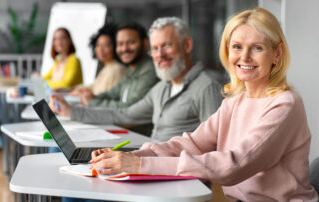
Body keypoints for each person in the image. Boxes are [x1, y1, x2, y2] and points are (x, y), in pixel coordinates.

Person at [87, 8, 318, 201]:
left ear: (277, 54)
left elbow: (234, 165)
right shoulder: (235, 102)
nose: (244, 57)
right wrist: (131, 155)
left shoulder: (285, 104)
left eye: (257, 48)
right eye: (237, 47)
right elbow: (191, 143)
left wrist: (140, 164)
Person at [50, 17, 224, 142]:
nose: (160, 54)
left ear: (187, 45)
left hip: (176, 178)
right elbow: (125, 114)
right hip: (151, 162)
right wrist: (71, 111)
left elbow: (213, 146)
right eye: (155, 48)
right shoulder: (163, 87)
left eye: (167, 45)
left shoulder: (206, 87)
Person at [80, 22, 159, 108]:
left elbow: (132, 107)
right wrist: (93, 98)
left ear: (145, 43)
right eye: (120, 44)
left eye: (131, 42)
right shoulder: (131, 69)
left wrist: (92, 102)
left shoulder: (150, 70)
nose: (124, 48)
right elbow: (113, 92)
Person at [69, 24, 127, 106]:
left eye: (106, 45)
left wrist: (82, 93)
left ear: (115, 47)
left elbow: (101, 96)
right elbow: (94, 86)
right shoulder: (108, 67)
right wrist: (78, 90)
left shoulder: (116, 69)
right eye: (98, 45)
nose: (100, 49)